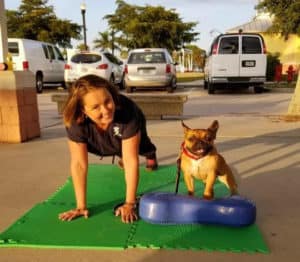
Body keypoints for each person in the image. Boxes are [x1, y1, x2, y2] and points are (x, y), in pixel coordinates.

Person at [58, 74, 157, 223]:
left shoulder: (127, 111)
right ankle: (120, 153)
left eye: (107, 101)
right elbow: (79, 164)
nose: (105, 110)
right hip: (102, 139)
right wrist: (80, 206)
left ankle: (151, 155)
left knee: (142, 146)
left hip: (128, 129)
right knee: (115, 145)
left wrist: (130, 203)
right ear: (83, 110)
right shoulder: (74, 122)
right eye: (95, 107)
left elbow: (131, 160)